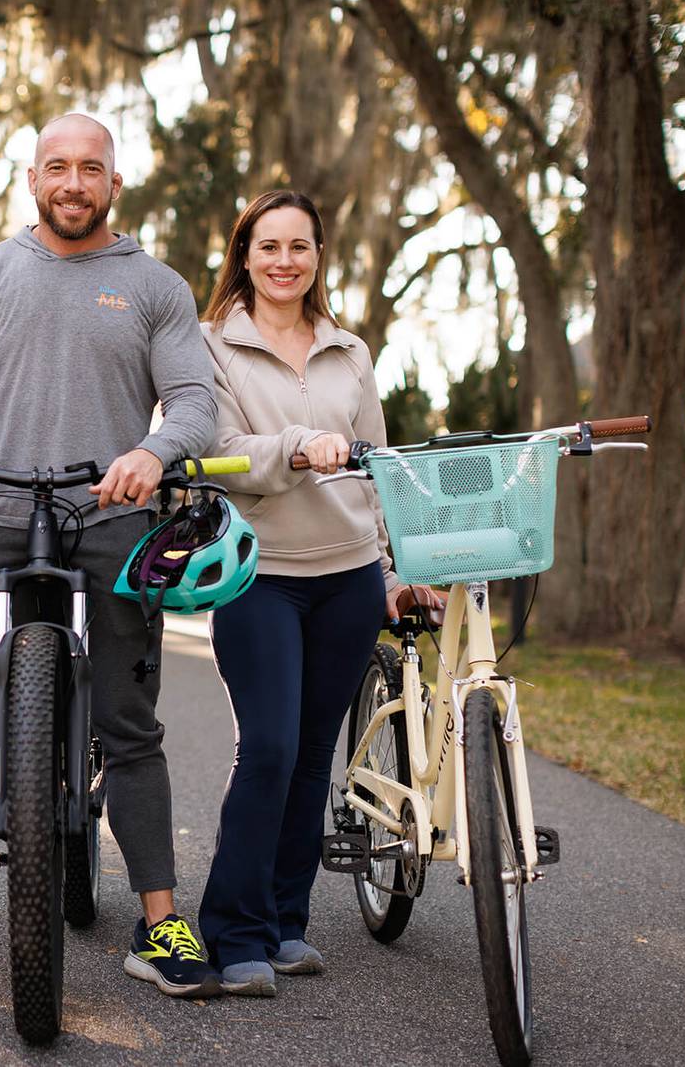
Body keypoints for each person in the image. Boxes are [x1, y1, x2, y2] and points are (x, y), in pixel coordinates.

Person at [0, 113, 224, 999]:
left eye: (89, 168)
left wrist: (154, 452)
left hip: (112, 514)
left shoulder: (155, 286)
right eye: (56, 167)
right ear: (32, 178)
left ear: (112, 183)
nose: (72, 182)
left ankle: (160, 920)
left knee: (130, 726)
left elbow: (193, 404)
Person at [196, 189, 445, 995]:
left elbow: (375, 471)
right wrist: (300, 447)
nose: (282, 261)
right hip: (258, 571)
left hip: (345, 575)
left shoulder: (348, 350)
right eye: (267, 246)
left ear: (316, 258)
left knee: (309, 760)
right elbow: (220, 450)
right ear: (244, 255)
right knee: (265, 748)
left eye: (298, 247)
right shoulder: (210, 348)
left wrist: (391, 569)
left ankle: (284, 922)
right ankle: (232, 933)